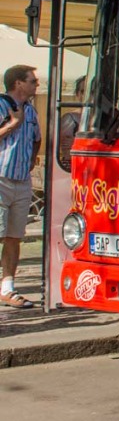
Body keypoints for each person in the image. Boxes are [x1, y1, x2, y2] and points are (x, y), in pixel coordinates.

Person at [0, 65, 42, 308]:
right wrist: (13, 124)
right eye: (32, 81)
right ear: (18, 83)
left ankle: (8, 287)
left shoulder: (31, 111)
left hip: (21, 180)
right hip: (2, 177)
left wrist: (29, 163)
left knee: (14, 236)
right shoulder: (2, 105)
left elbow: (37, 139)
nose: (36, 85)